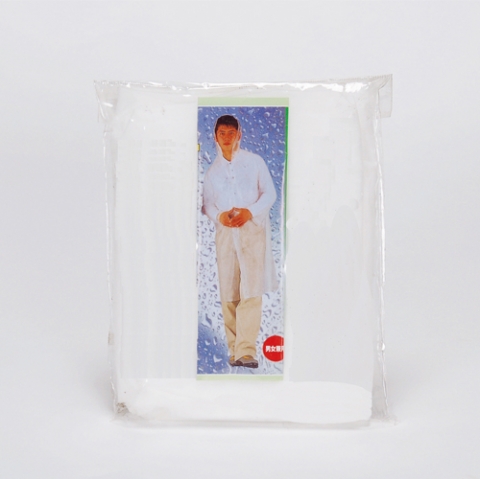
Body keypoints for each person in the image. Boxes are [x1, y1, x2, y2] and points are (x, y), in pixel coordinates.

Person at [202, 115, 278, 369]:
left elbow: (269, 193)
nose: (226, 137)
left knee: (251, 290)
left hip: (252, 232)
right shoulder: (212, 173)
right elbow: (208, 205)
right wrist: (220, 216)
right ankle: (234, 350)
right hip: (225, 235)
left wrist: (249, 212)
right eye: (221, 133)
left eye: (231, 132)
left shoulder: (254, 162)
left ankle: (246, 351)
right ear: (215, 136)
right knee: (229, 293)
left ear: (239, 134)